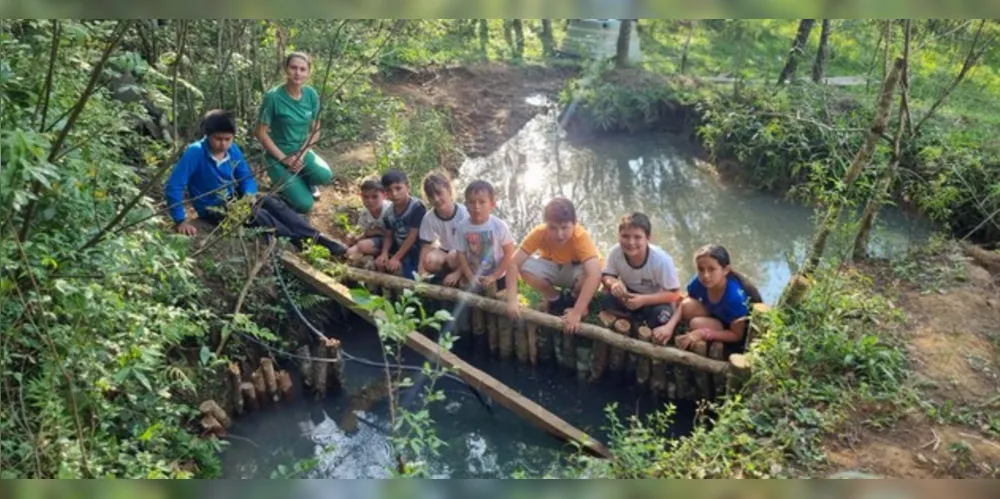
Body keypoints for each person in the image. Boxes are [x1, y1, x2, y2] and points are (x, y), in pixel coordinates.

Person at [164, 109, 345, 255]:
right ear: (207, 135)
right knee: (259, 216)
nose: (223, 144)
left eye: (228, 139)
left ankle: (316, 237)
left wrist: (249, 194)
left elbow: (246, 176)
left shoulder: (232, 150)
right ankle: (297, 241)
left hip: (235, 196)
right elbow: (175, 185)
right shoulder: (195, 152)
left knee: (273, 203)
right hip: (213, 207)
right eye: (218, 139)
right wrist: (180, 220)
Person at [505, 197, 602, 334]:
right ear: (546, 224)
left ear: (574, 224)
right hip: (555, 265)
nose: (559, 234)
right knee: (523, 265)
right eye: (553, 228)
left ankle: (575, 299)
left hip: (576, 271)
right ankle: (555, 298)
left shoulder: (580, 236)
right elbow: (513, 264)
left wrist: (577, 312)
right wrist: (512, 300)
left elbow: (595, 274)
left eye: (564, 228)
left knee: (591, 271)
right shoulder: (539, 233)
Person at [254, 51, 332, 214]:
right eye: (293, 68)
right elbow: (261, 133)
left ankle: (304, 180)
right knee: (305, 205)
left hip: (302, 151)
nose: (298, 73)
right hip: (277, 155)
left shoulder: (310, 94)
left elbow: (316, 129)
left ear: (308, 72)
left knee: (325, 175)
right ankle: (284, 186)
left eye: (303, 69)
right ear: (286, 69)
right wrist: (285, 159)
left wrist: (301, 155)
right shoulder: (273, 97)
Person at [655, 244, 763, 352]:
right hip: (715, 315)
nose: (706, 275)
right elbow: (685, 303)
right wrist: (669, 327)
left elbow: (736, 335)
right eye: (701, 269)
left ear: (725, 270)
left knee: (696, 323)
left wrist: (703, 333)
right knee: (688, 305)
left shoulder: (734, 298)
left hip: (730, 329)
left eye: (712, 269)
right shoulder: (699, 281)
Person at [601, 212, 682, 338]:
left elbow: (674, 294)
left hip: (653, 298)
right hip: (628, 294)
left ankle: (640, 323)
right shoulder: (616, 252)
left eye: (637, 237)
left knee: (662, 315)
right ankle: (631, 320)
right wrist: (613, 283)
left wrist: (644, 300)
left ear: (648, 238)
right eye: (625, 236)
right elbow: (607, 275)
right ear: (618, 236)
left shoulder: (661, 260)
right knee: (606, 298)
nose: (631, 242)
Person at [455, 180, 515, 292]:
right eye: (472, 202)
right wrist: (469, 275)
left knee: (498, 303)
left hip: (499, 276)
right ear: (466, 205)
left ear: (492, 204)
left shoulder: (499, 226)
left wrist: (495, 276)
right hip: (474, 275)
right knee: (471, 303)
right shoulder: (462, 227)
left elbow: (509, 252)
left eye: (482, 202)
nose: (476, 207)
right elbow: (461, 253)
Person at [417, 170, 469, 286]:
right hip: (445, 252)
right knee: (430, 260)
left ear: (449, 190)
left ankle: (458, 275)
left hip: (464, 254)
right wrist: (421, 269)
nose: (436, 199)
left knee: (452, 256)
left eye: (439, 193)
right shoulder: (429, 218)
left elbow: (473, 248)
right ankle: (443, 277)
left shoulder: (464, 214)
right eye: (431, 196)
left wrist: (457, 273)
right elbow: (425, 246)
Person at [376, 170, 426, 280]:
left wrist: (396, 258)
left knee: (410, 275)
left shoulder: (417, 207)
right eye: (389, 190)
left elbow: (413, 236)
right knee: (382, 265)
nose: (394, 194)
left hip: (417, 248)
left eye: (398, 188)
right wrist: (384, 253)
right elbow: (388, 235)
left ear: (408, 187)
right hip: (399, 246)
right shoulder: (388, 213)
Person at [345, 178, 393, 263]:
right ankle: (377, 256)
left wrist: (377, 231)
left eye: (375, 197)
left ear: (384, 196)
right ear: (361, 196)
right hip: (376, 241)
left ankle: (387, 255)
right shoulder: (364, 213)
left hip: (392, 240)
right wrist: (355, 238)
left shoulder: (390, 210)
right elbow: (364, 232)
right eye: (365, 197)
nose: (370, 201)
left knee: (363, 245)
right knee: (350, 252)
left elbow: (395, 233)